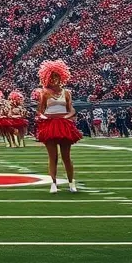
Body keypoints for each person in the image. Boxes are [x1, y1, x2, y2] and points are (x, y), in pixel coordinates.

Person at [35, 59, 80, 194]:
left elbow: (71, 109)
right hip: (50, 125)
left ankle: (71, 183)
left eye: (57, 76)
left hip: (64, 124)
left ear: (62, 77)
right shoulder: (44, 93)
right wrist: (43, 117)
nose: (54, 79)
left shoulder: (66, 92)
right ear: (47, 78)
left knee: (66, 156)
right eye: (52, 77)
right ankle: (53, 183)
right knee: (52, 156)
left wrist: (67, 116)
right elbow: (40, 110)